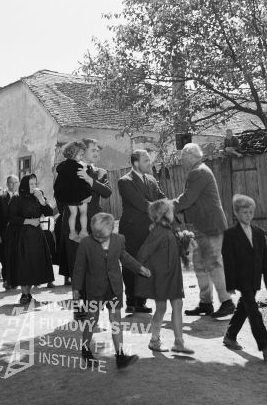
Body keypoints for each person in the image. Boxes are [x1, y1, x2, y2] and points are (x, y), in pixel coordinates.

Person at [72, 212, 151, 369]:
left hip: (114, 287)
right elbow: (79, 268)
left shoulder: (119, 240)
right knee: (92, 319)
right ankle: (86, 350)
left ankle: (120, 356)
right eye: (96, 236)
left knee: (116, 320)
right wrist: (76, 288)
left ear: (111, 229)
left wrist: (140, 268)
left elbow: (125, 258)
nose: (99, 239)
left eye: (102, 236)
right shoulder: (86, 243)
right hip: (95, 288)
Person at [173, 143, 235, 318]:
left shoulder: (198, 172)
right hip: (202, 226)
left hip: (210, 226)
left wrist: (168, 206)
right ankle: (206, 303)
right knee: (200, 265)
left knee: (213, 263)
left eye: (183, 157)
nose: (181, 161)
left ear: (191, 156)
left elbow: (187, 199)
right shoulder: (199, 170)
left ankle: (227, 302)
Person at [136, 199, 194, 354]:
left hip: (174, 274)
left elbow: (175, 249)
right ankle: (154, 340)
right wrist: (141, 269)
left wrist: (186, 243)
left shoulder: (170, 229)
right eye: (170, 211)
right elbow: (143, 252)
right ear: (164, 214)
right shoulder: (157, 232)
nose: (173, 213)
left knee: (178, 305)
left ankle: (179, 342)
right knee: (161, 308)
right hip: (161, 276)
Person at [222, 194, 267, 359]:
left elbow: (265, 257)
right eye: (244, 212)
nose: (248, 215)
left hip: (254, 278)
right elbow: (228, 261)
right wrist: (230, 284)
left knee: (244, 307)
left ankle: (230, 336)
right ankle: (265, 344)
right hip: (241, 278)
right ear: (236, 213)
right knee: (253, 309)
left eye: (251, 212)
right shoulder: (230, 234)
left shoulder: (259, 232)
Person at [118, 149, 166, 314]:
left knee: (146, 263)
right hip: (132, 230)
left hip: (150, 229)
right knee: (131, 263)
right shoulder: (125, 181)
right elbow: (140, 203)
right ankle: (131, 301)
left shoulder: (151, 179)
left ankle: (141, 301)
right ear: (136, 163)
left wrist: (169, 206)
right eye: (146, 160)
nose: (149, 163)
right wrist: (161, 210)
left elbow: (161, 197)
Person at [60, 138, 112, 283]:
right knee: (79, 272)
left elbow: (107, 193)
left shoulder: (100, 172)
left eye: (98, 150)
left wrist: (91, 180)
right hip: (75, 228)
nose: (97, 152)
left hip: (96, 227)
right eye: (93, 150)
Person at [5, 174, 54, 304]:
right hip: (22, 236)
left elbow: (50, 212)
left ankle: (29, 293)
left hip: (36, 236)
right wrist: (29, 221)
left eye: (35, 183)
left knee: (34, 263)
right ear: (25, 185)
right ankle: (24, 294)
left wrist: (42, 199)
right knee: (23, 264)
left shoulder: (38, 196)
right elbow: (11, 217)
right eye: (31, 184)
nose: (33, 186)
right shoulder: (17, 198)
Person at [54, 141, 92, 243]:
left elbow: (59, 183)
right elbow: (82, 182)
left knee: (73, 213)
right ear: (74, 154)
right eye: (80, 155)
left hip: (68, 196)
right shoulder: (78, 167)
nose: (81, 157)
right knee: (83, 212)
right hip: (79, 195)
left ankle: (72, 233)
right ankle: (83, 231)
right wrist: (87, 171)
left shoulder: (62, 166)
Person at [0, 175, 19, 290]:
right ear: (7, 184)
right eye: (11, 182)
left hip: (19, 233)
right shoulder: (0, 199)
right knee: (5, 257)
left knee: (18, 256)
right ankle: (6, 280)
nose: (13, 185)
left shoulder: (21, 197)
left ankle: (17, 280)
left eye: (15, 182)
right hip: (5, 233)